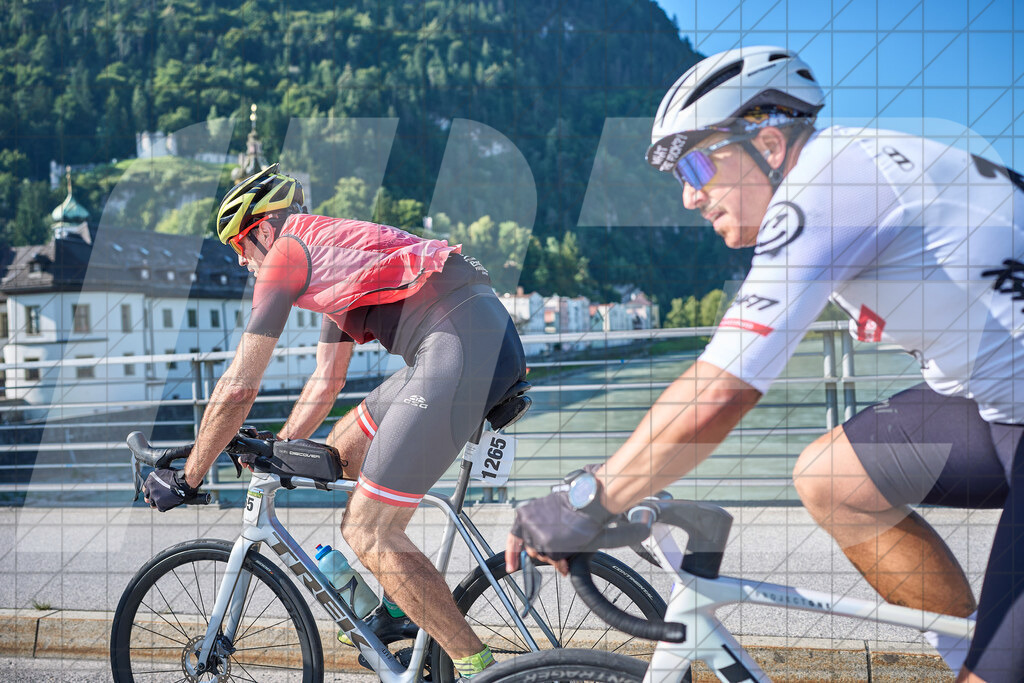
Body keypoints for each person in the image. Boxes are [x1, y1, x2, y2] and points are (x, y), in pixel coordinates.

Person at [506, 46, 1024, 682]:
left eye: (695, 164)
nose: (691, 197)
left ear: (770, 145)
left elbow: (722, 392)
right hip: (1001, 409)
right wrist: (618, 476)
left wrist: (588, 500)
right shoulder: (857, 169)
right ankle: (973, 657)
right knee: (834, 476)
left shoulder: (827, 186)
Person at [143, 164, 526, 679]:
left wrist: (189, 474)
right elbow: (326, 382)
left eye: (239, 245)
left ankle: (476, 668)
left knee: (369, 531)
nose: (240, 261)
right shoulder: (331, 256)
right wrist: (275, 450)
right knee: (340, 456)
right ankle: (398, 608)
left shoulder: (285, 253)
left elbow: (238, 384)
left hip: (458, 350)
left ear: (261, 229)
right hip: (467, 341)